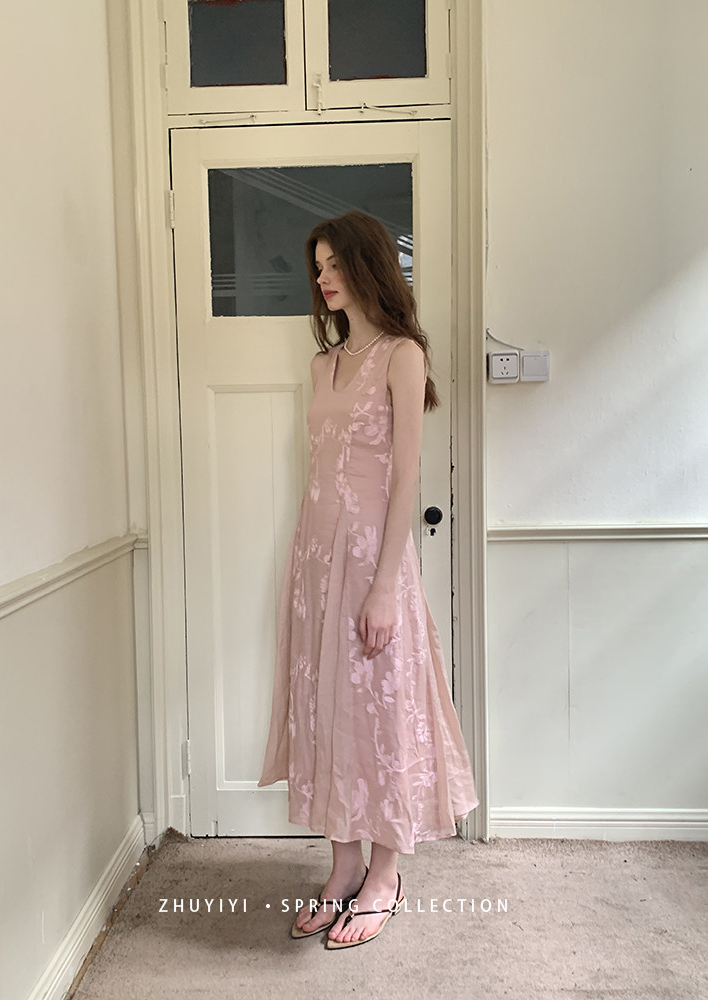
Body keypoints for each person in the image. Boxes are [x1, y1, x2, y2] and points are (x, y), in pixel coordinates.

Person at [257, 210, 478, 949]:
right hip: (316, 564)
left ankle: (386, 873)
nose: (323, 278)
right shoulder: (321, 365)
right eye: (317, 266)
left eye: (334, 264)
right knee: (327, 711)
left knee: (380, 714)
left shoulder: (401, 355)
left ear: (367, 265)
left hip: (373, 563)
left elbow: (405, 477)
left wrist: (385, 587)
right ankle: (344, 865)